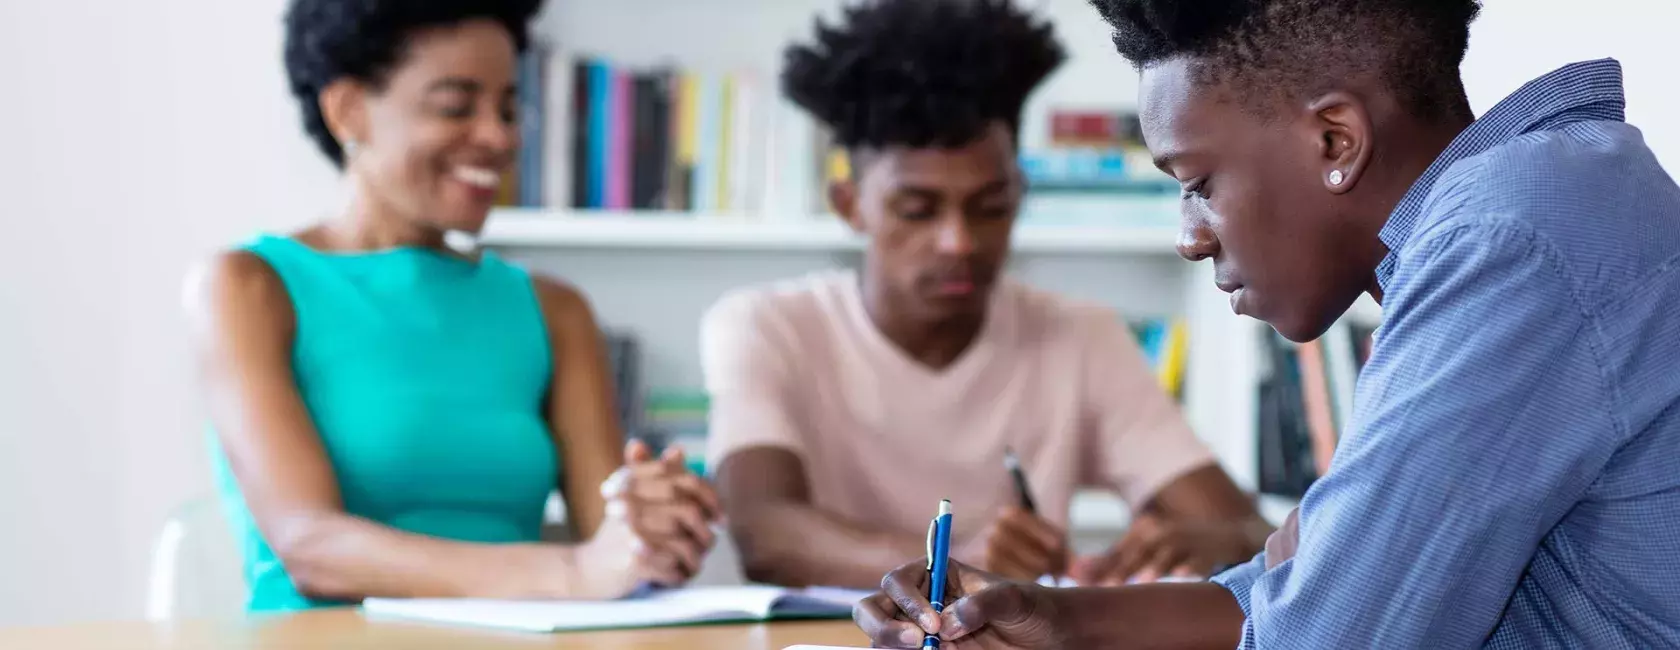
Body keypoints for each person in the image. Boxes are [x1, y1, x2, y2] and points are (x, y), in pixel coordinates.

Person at [856, 0, 1680, 647]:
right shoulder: (1542, 201)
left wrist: (1310, 584)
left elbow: (1330, 631)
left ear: (1335, 140)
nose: (1189, 236)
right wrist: (1056, 621)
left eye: (1198, 181)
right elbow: (1305, 587)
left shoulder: (1507, 241)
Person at [701, 0, 1271, 593]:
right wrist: (958, 561)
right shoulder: (767, 325)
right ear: (850, 205)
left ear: (1020, 194)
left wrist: (1209, 539)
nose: (958, 242)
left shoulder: (1079, 336)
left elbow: (1241, 523)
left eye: (990, 207)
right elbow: (763, 531)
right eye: (918, 210)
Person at [183, 0, 719, 613]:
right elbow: (311, 547)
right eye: (455, 106)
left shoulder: (553, 310)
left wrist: (656, 524)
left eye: (510, 109)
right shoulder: (248, 287)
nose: (498, 137)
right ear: (347, 110)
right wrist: (573, 572)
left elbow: (610, 542)